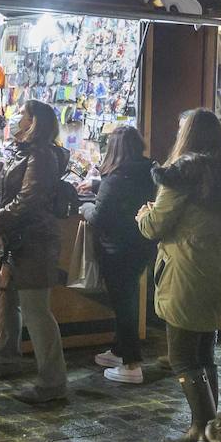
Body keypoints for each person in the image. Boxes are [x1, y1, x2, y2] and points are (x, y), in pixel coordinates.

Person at [138, 109, 221, 442]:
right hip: (215, 267)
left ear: (189, 135)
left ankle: (209, 437)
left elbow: (156, 226)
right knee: (204, 353)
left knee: (184, 356)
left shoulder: (181, 173)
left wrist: (143, 215)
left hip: (184, 268)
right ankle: (201, 428)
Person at [0, 100, 73, 405]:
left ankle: (53, 381)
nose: (16, 118)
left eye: (21, 115)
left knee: (36, 309)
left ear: (34, 121)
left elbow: (29, 198)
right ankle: (9, 360)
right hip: (19, 238)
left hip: (34, 240)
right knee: (12, 298)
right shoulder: (23, 152)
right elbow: (5, 191)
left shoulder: (41, 155)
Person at [85, 125, 157, 384]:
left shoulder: (116, 177)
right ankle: (119, 351)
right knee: (126, 299)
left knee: (123, 303)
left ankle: (131, 363)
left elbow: (100, 215)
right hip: (142, 244)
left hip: (116, 247)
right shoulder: (150, 171)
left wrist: (85, 209)